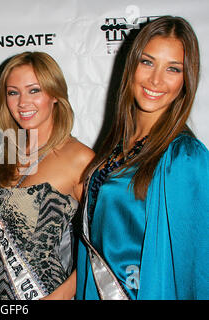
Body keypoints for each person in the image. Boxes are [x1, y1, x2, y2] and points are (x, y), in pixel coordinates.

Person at [76, 16, 209, 300]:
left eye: (173, 69)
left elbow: (193, 272)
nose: (156, 79)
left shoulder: (183, 157)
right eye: (147, 62)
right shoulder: (114, 149)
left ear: (186, 80)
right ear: (132, 65)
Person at [0, 51, 95, 300]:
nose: (23, 102)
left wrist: (60, 297)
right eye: (13, 92)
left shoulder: (80, 159)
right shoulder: (7, 157)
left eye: (34, 90)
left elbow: (102, 247)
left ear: (55, 95)